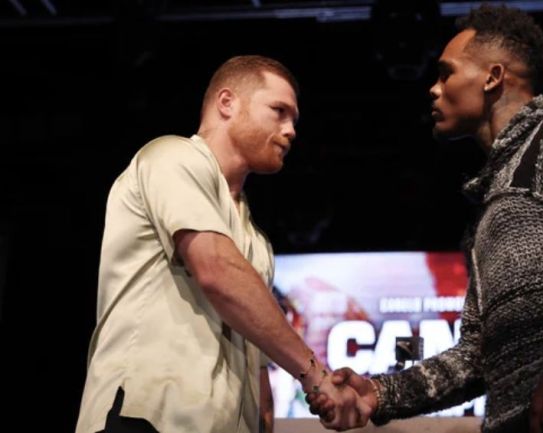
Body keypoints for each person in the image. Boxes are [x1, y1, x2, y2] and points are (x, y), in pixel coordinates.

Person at [309, 4, 543, 433]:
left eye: (446, 74)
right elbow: (477, 356)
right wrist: (380, 393)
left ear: (493, 77)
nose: (434, 89)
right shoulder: (490, 202)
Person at [75, 55, 368, 433]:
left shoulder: (255, 240)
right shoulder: (171, 156)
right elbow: (217, 270)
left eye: (294, 119)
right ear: (227, 103)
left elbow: (257, 362)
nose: (291, 130)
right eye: (279, 111)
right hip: (144, 416)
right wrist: (315, 373)